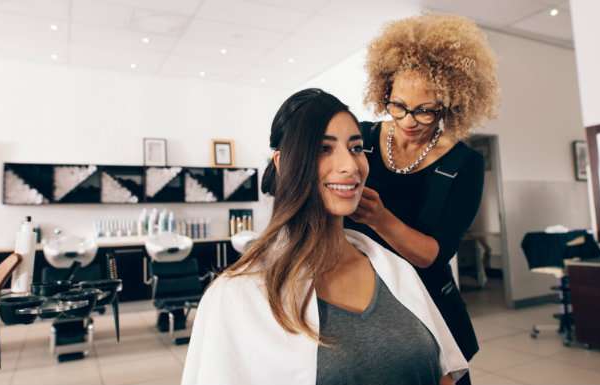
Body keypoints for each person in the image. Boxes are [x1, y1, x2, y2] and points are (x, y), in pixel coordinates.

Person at [182, 88, 467, 385]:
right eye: (323, 149)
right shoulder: (237, 295)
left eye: (356, 148)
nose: (350, 165)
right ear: (282, 163)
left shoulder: (397, 272)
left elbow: (442, 372)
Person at [344, 13, 501, 381]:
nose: (408, 120)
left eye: (425, 111)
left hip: (426, 301)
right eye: (397, 105)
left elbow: (435, 254)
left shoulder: (465, 163)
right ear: (384, 91)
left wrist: (380, 218)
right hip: (360, 296)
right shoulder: (361, 138)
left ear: (449, 105)